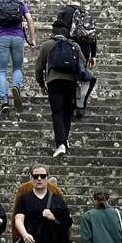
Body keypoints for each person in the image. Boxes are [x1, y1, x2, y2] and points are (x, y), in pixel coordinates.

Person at [12, 164, 72, 243]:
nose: (39, 179)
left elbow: (67, 221)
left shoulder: (57, 198)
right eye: (36, 176)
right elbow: (18, 218)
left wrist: (53, 217)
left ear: (47, 177)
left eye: (43, 176)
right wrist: (24, 235)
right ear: (31, 178)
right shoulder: (24, 198)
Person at [35, 18, 86, 156]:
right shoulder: (74, 45)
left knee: (57, 112)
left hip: (54, 81)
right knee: (68, 112)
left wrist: (41, 84)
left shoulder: (47, 45)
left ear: (53, 31)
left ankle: (61, 143)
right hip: (71, 82)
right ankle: (65, 139)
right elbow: (83, 63)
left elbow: (39, 67)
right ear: (65, 31)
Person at [0, 0, 37, 114]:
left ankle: (4, 101)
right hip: (18, 38)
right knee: (18, 68)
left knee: (2, 71)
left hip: (2, 39)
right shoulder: (19, 2)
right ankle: (16, 86)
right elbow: (30, 20)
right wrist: (32, 40)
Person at [57, 0, 98, 113]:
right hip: (84, 50)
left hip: (68, 47)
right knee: (81, 75)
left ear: (69, 0)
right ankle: (80, 104)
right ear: (80, 1)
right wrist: (93, 55)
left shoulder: (64, 11)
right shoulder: (87, 13)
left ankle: (69, 102)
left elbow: (58, 31)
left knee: (67, 75)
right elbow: (93, 35)